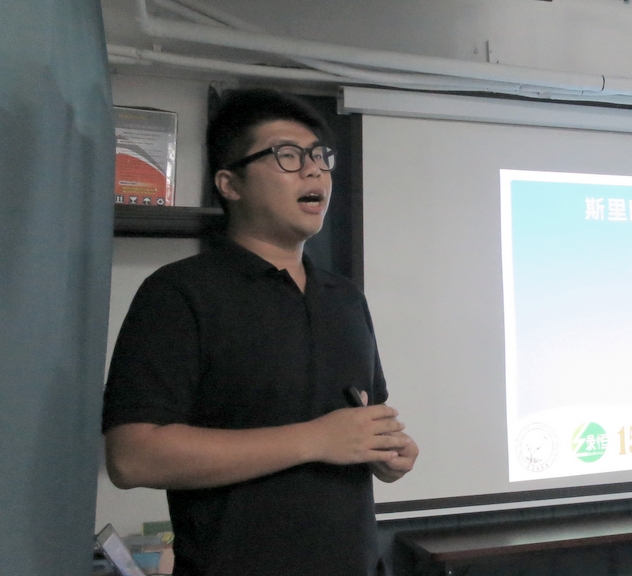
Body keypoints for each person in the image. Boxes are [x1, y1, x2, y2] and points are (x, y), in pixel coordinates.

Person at [102, 89, 418, 576]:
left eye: (320, 157)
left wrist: (388, 454)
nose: (314, 171)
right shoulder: (179, 293)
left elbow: (359, 428)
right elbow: (132, 457)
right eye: (287, 155)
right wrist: (315, 440)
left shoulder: (345, 298)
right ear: (230, 184)